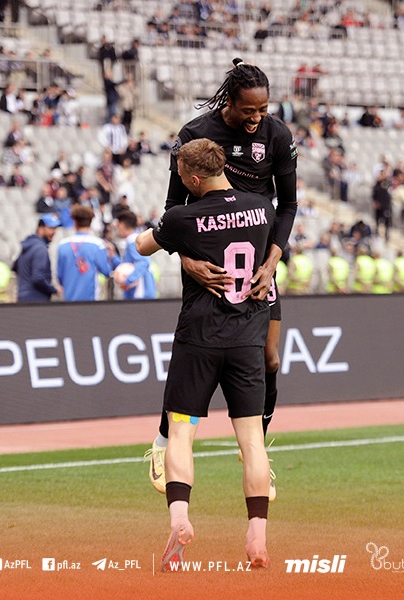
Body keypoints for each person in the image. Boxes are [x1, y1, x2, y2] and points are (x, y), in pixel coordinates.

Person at [146, 59, 298, 500]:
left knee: (269, 359)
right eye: (249, 110)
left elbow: (288, 204)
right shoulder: (195, 134)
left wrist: (273, 260)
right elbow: (174, 211)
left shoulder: (277, 135)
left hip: (258, 260)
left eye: (263, 110)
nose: (256, 118)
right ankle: (162, 443)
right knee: (192, 359)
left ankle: (258, 449)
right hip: (208, 262)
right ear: (229, 101)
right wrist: (188, 261)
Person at [135, 138, 273, 571]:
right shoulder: (261, 208)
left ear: (194, 179)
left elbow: (142, 246)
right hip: (247, 338)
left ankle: (180, 520)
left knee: (181, 433)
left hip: (199, 338)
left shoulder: (183, 217)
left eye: (181, 175)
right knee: (252, 440)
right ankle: (257, 538)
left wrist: (177, 247)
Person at [56, 204, 119, 301]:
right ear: (90, 222)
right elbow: (106, 271)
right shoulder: (98, 244)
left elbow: (60, 276)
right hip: (90, 300)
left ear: (75, 222)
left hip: (68, 299)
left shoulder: (62, 245)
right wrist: (113, 256)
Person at [14, 214, 59, 303]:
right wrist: (54, 289)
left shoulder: (28, 245)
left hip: (23, 297)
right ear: (40, 229)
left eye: (55, 229)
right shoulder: (40, 249)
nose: (54, 232)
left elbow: (15, 267)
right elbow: (38, 278)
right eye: (51, 228)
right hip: (36, 300)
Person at [114, 210, 156, 300]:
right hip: (140, 291)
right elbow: (127, 264)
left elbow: (143, 262)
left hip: (140, 291)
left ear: (121, 225)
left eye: (117, 225)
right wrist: (113, 256)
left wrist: (127, 281)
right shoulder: (135, 239)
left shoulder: (132, 240)